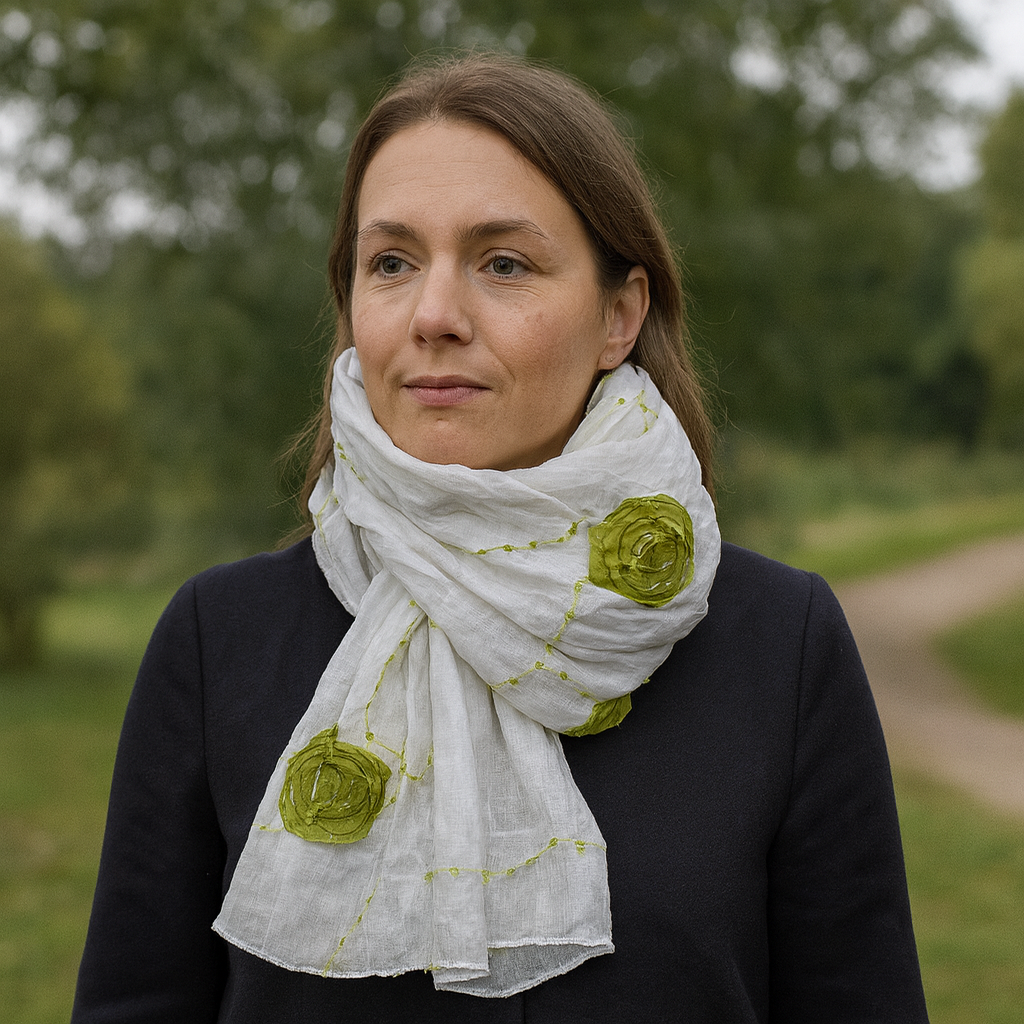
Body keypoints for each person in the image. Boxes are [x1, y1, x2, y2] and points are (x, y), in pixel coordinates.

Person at [72, 53, 929, 1022]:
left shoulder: (781, 647)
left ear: (618, 316)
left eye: (503, 263)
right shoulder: (216, 642)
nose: (433, 315)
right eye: (390, 262)